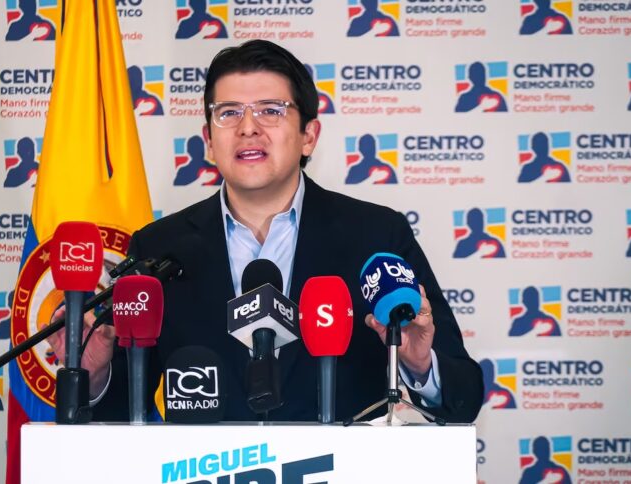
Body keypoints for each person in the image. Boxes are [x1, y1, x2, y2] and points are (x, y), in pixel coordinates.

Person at [52, 40, 482, 423]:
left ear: (309, 135)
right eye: (229, 113)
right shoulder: (159, 247)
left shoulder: (377, 235)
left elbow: (464, 396)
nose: (248, 127)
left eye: (271, 111)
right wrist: (97, 375)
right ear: (208, 140)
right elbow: (123, 414)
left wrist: (420, 364)